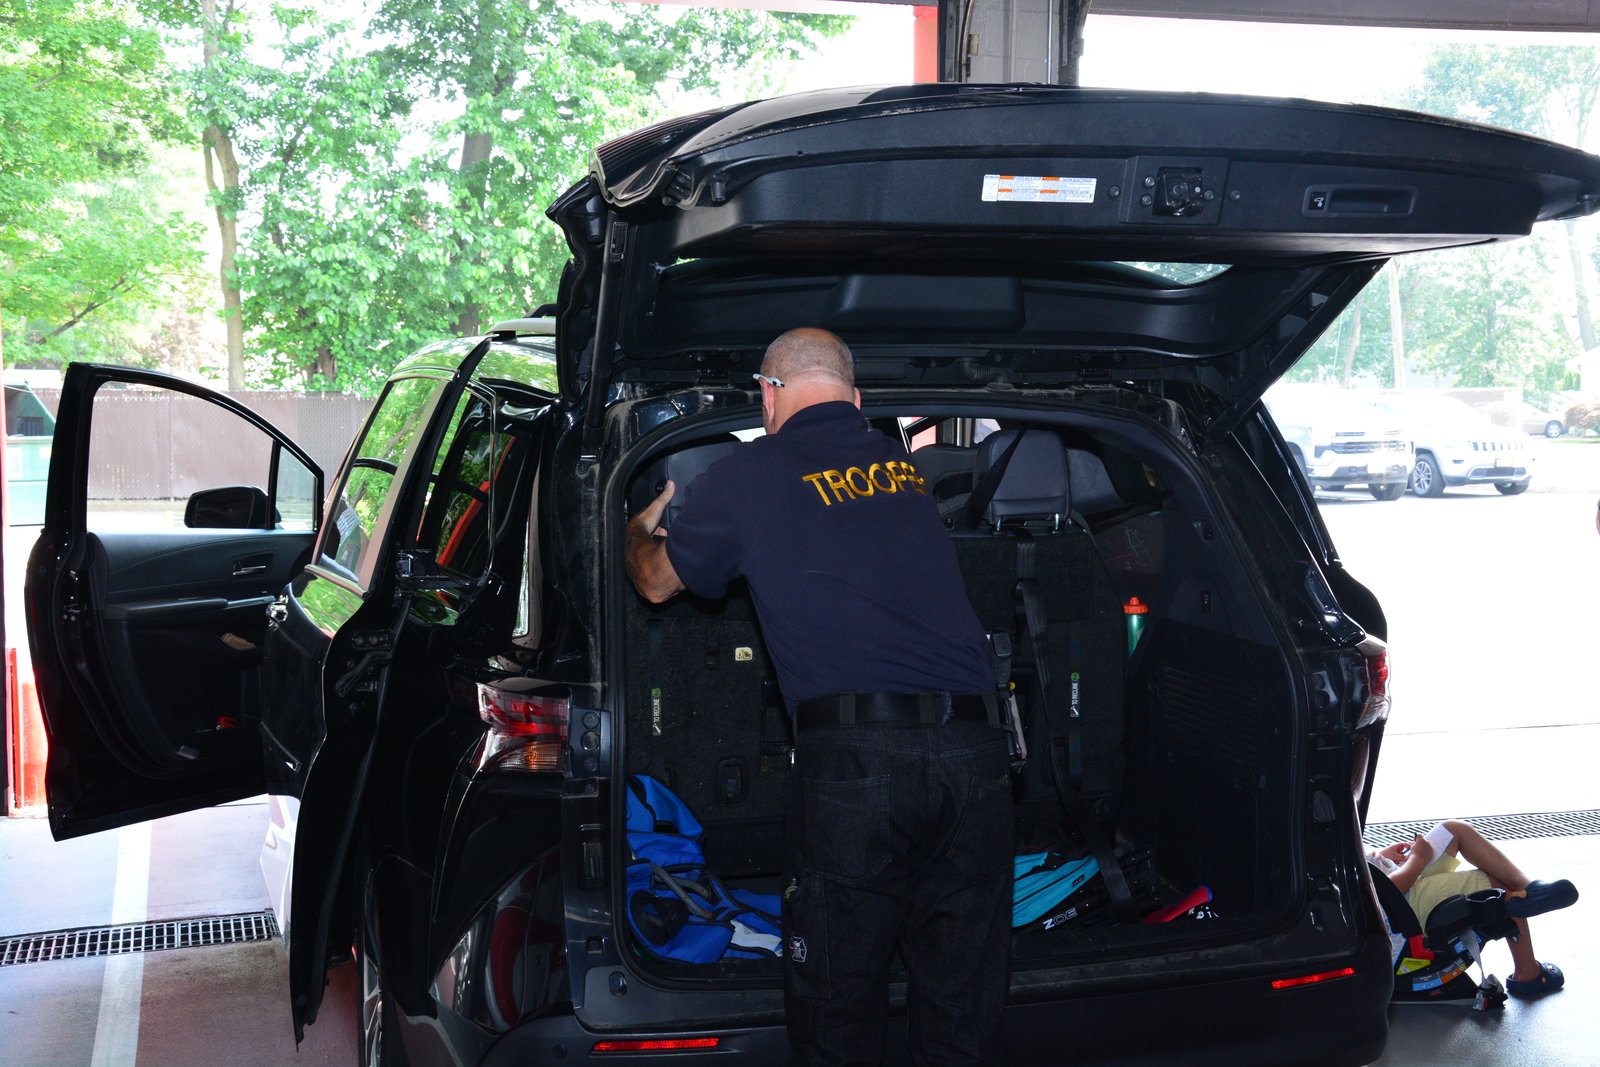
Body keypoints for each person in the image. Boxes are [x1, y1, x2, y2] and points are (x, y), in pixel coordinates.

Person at [625, 327, 1014, 1066]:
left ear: (768, 395)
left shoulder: (748, 473)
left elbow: (654, 581)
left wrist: (634, 531)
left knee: (838, 1011)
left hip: (858, 769)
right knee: (964, 1011)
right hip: (979, 757)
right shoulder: (902, 472)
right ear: (856, 399)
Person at [1371, 819, 1578, 997]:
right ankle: (1527, 972)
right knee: (1501, 887)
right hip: (1399, 905)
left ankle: (1529, 888)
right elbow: (1384, 891)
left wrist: (1380, 857)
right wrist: (1418, 857)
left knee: (1453, 830)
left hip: (1392, 880)